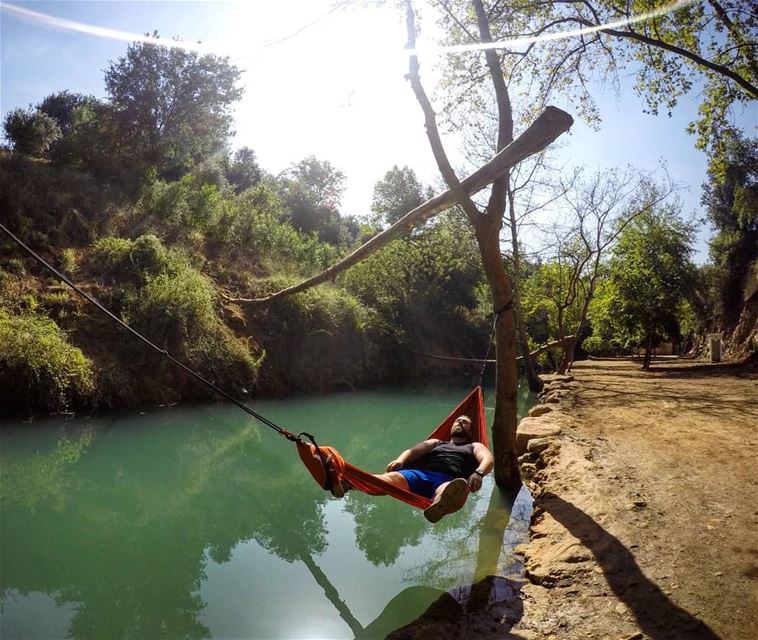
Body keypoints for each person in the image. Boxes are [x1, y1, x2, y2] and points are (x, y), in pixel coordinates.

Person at [333, 414, 494, 523]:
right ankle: (348, 483)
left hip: (449, 480)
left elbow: (488, 459)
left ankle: (439, 504)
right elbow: (414, 451)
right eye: (457, 420)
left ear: (471, 431)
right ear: (451, 428)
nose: (459, 422)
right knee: (390, 479)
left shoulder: (474, 445)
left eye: (465, 422)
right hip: (421, 475)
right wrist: (400, 460)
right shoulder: (437, 442)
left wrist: (478, 473)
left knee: (447, 490)